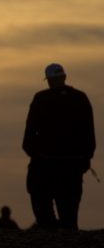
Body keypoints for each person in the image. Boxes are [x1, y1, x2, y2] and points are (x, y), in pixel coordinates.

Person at [22, 63, 95, 230]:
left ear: (49, 80)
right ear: (64, 77)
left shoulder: (41, 99)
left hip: (44, 165)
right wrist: (84, 159)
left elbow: (29, 135)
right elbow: (89, 134)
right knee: (69, 216)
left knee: (43, 211)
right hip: (72, 167)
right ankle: (68, 247)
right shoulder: (80, 98)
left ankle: (52, 241)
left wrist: (35, 154)